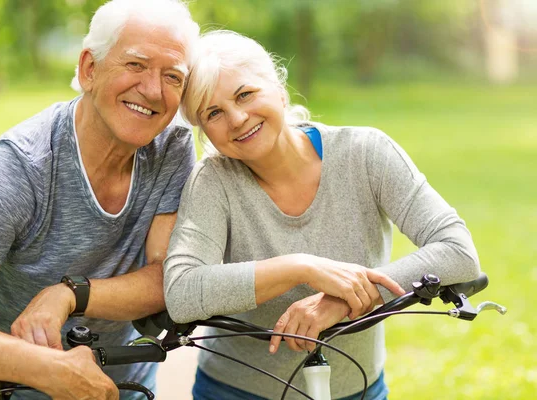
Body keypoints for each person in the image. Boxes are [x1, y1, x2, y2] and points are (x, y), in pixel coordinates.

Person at [163, 30, 481, 400]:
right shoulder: (213, 181)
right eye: (213, 113)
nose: (236, 119)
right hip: (235, 391)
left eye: (245, 94)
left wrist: (343, 298)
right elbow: (182, 292)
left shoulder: (365, 153)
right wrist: (300, 267)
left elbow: (458, 252)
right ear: (205, 131)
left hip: (356, 388)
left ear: (279, 90)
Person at [0, 1, 199, 399]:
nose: (153, 90)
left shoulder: (172, 146)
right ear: (89, 69)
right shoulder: (21, 167)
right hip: (7, 388)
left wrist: (70, 293)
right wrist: (51, 371)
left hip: (125, 387)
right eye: (135, 65)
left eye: (173, 76)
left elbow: (168, 277)